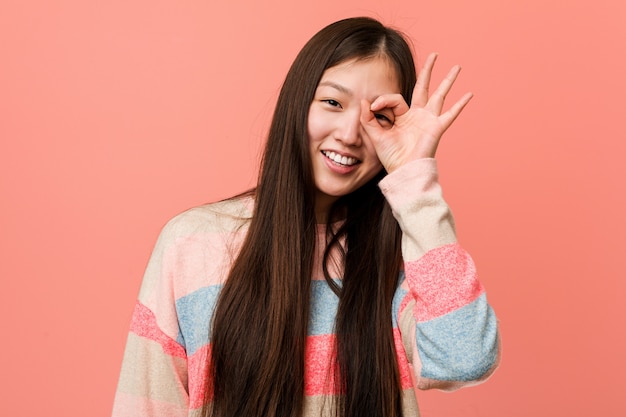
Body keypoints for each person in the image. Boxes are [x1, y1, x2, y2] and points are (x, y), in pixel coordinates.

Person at [112, 16, 500, 417]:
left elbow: (464, 359)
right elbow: (145, 406)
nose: (350, 133)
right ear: (297, 104)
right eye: (333, 102)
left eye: (379, 117)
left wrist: (414, 177)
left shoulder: (403, 260)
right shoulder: (192, 243)